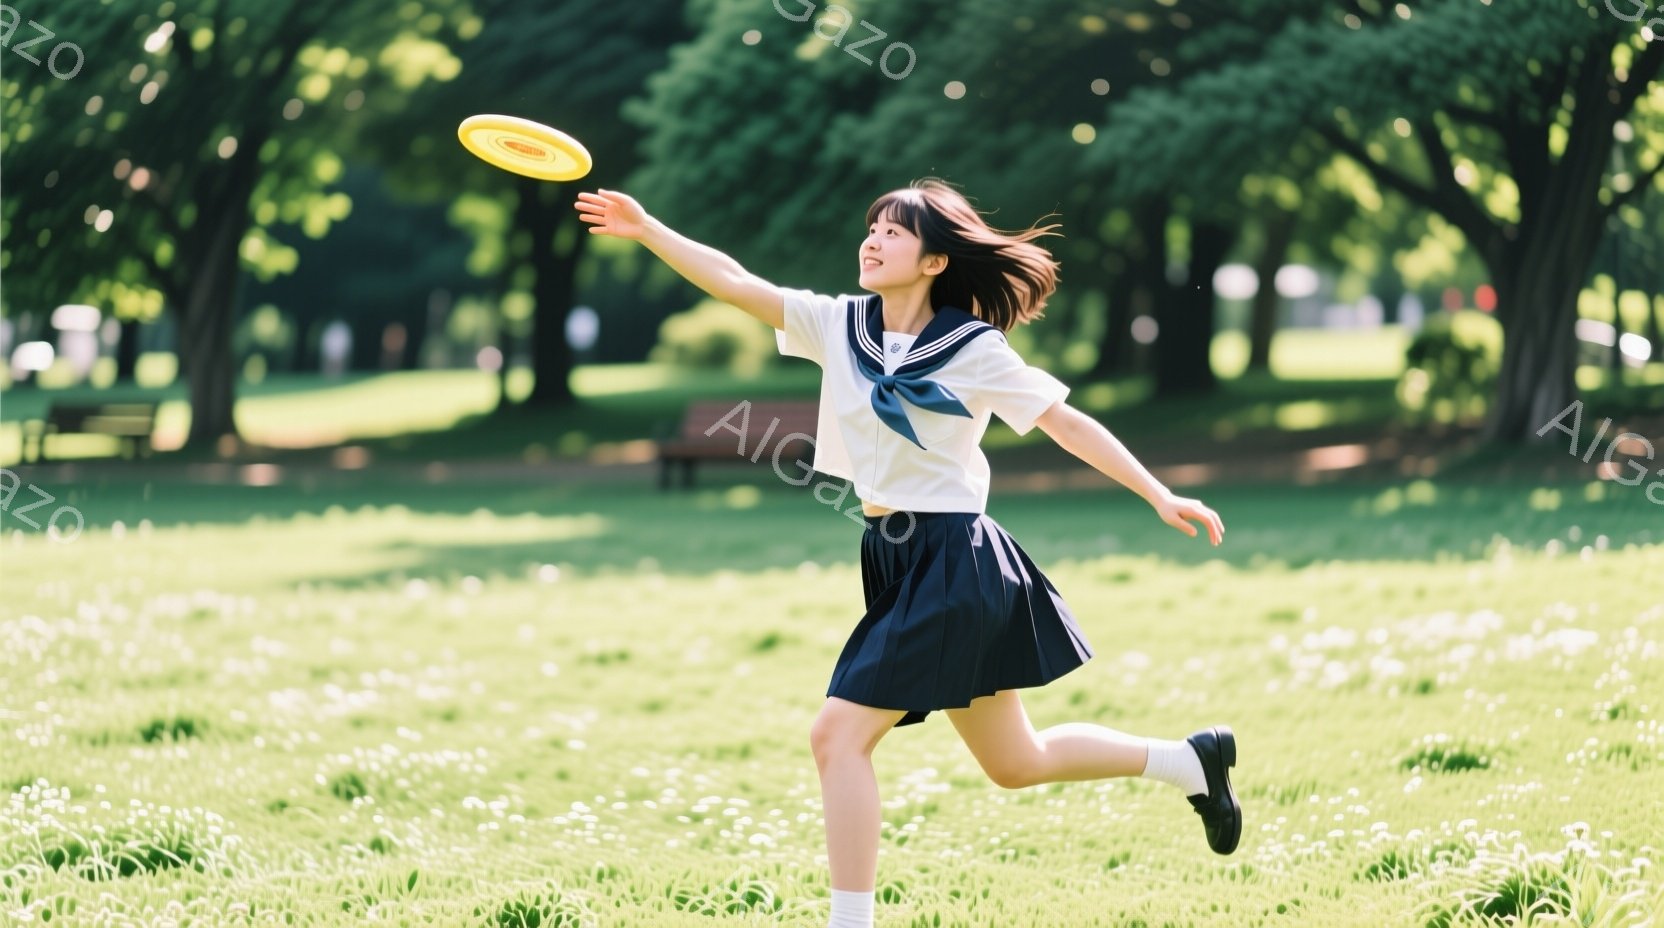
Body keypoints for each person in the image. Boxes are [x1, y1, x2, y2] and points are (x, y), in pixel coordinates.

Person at [574, 178, 1239, 928]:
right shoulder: (838, 324)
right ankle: (1189, 761)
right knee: (1015, 763)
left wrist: (1157, 493)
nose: (873, 239)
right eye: (872, 227)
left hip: (955, 554)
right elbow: (735, 282)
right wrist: (647, 227)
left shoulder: (974, 347)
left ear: (934, 261)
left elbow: (1066, 423)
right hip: (894, 552)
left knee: (835, 736)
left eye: (894, 231)